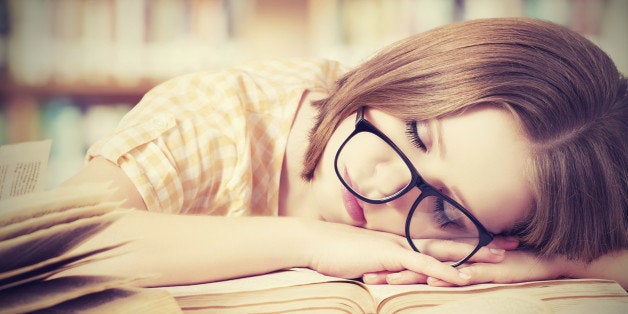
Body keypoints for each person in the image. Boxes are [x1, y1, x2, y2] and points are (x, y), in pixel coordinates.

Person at [61, 17, 627, 289]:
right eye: (413, 134)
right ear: (406, 73)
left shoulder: (486, 235)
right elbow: (59, 243)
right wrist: (310, 242)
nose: (385, 188)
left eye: (448, 212)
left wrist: (555, 260)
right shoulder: (213, 117)